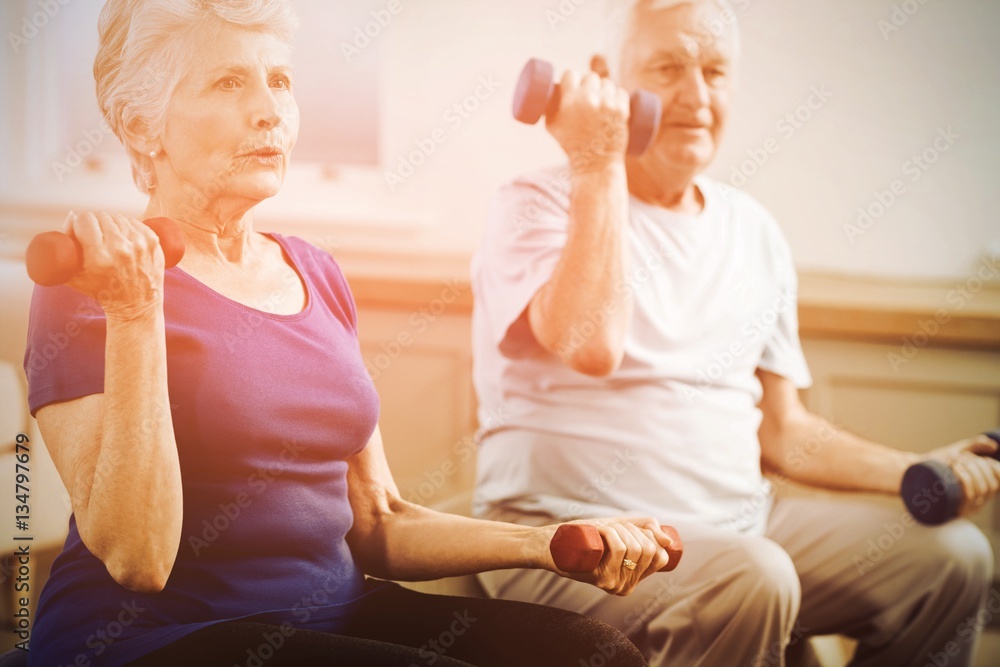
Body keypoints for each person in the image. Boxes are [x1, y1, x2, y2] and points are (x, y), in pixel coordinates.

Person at [22, 1, 669, 665]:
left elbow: (380, 520)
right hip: (151, 640)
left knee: (596, 653)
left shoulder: (316, 271)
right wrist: (137, 309)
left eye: (280, 80)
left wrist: (549, 540)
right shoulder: (92, 285)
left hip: (333, 616)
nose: (270, 110)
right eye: (227, 82)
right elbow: (138, 559)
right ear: (139, 122)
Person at [470, 0, 999, 665]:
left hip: (743, 531)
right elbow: (593, 342)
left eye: (715, 71)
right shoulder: (535, 200)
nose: (695, 95)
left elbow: (784, 431)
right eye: (666, 67)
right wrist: (597, 159)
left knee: (951, 558)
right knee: (754, 574)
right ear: (606, 76)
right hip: (568, 535)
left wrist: (920, 470)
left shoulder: (754, 230)